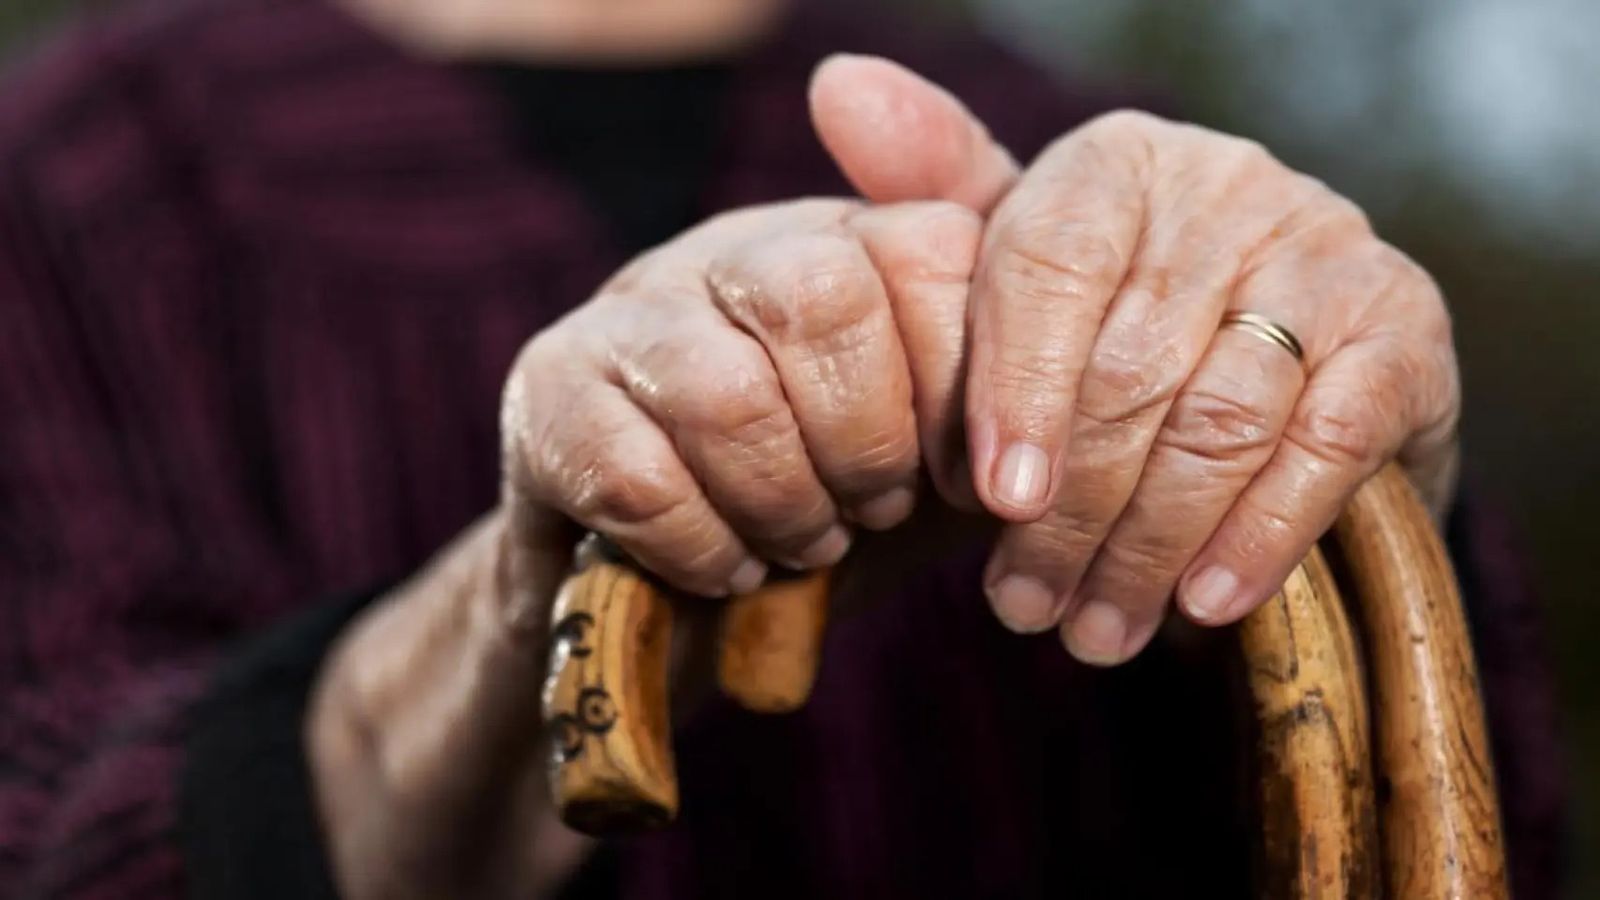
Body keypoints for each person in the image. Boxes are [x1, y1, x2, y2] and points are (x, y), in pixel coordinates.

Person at [0, 0, 1565, 896]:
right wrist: (507, 631)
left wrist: (1312, 462)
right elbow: (56, 830)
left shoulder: (1062, 134)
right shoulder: (86, 195)